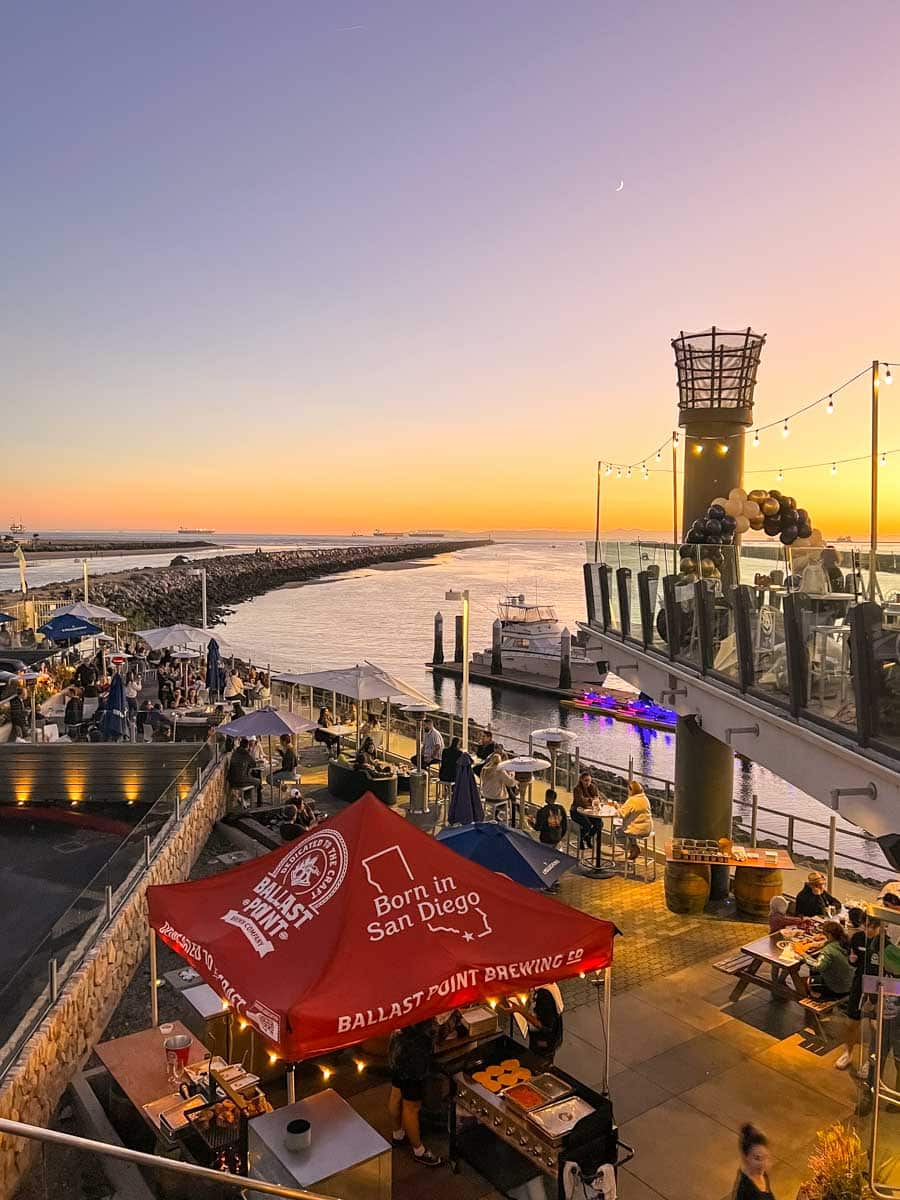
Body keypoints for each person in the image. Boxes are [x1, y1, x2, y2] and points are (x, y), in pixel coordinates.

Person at [387, 1020, 442, 1167]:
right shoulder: (421, 1014)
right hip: (413, 1056)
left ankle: (398, 1134)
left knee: (396, 1092)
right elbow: (435, 1031)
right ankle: (419, 1150)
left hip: (397, 1046)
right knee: (411, 1106)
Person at [836, 907, 871, 1071]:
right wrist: (852, 959)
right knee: (851, 1022)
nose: (869, 929)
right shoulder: (857, 938)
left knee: (875, 1026)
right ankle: (848, 1052)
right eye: (866, 925)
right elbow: (854, 960)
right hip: (859, 982)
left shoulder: (886, 944)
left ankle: (871, 1062)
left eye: (873, 926)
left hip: (879, 986)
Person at [503, 985, 564, 1067]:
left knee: (539, 1063)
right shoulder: (547, 985)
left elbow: (543, 1025)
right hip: (546, 1038)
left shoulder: (544, 995)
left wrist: (520, 1010)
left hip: (544, 1041)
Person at [805, 921, 853, 1000]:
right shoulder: (846, 942)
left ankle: (818, 997)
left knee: (809, 981)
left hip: (838, 989)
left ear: (829, 935)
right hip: (851, 985)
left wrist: (803, 955)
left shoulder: (828, 950)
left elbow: (817, 966)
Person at [731, 1124, 775, 1199]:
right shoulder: (743, 1187)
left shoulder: (763, 1174)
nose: (763, 1163)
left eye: (765, 1157)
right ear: (746, 1157)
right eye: (757, 1158)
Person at [615, 779, 653, 860]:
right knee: (631, 830)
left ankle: (632, 848)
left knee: (617, 832)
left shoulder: (632, 800)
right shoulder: (645, 798)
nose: (628, 792)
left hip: (637, 830)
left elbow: (621, 814)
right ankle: (634, 847)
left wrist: (617, 807)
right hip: (648, 829)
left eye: (628, 790)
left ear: (631, 790)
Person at [227, 737, 263, 806]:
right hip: (240, 780)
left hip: (231, 780)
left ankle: (244, 799)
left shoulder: (235, 752)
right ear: (247, 746)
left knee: (251, 779)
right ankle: (246, 799)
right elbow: (254, 764)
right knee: (258, 781)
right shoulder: (246, 754)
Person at [571, 770, 602, 850]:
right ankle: (580, 839)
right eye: (586, 780)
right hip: (576, 812)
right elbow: (580, 801)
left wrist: (594, 800)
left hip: (589, 812)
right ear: (581, 780)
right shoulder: (577, 789)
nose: (587, 783)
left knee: (599, 823)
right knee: (587, 825)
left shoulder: (593, 787)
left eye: (589, 780)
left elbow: (598, 798)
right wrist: (592, 800)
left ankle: (588, 837)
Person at [480, 753, 517, 817]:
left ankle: (496, 814)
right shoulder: (499, 770)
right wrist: (513, 775)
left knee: (500, 792)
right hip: (496, 798)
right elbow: (511, 783)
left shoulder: (485, 769)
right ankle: (511, 817)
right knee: (512, 797)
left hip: (486, 795)